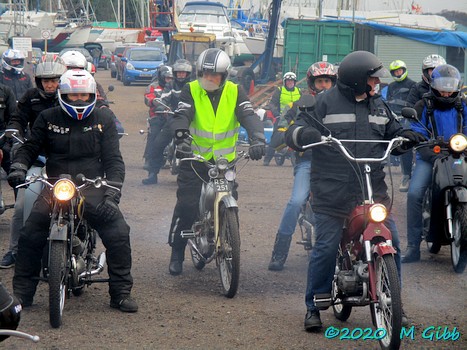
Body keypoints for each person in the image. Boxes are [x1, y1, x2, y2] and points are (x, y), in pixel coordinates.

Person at [285, 51, 425, 331]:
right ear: (358, 80)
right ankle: (313, 306)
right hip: (333, 190)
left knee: (393, 242)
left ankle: (393, 300)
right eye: (373, 78)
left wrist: (408, 136)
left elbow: (394, 130)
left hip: (374, 188)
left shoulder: (378, 105)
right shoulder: (323, 102)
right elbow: (294, 131)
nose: (377, 83)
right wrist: (306, 135)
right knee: (325, 246)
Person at [6, 69, 138, 312]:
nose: (79, 100)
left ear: (92, 96)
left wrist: (112, 194)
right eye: (73, 96)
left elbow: (114, 161)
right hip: (55, 186)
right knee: (29, 235)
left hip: (92, 188)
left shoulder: (104, 119)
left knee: (119, 233)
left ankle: (120, 293)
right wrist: (18, 167)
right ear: (62, 95)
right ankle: (22, 294)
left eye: (84, 96)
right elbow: (30, 148)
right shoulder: (47, 118)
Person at [167, 48, 265, 276]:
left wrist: (258, 138)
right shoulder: (190, 90)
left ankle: (230, 244)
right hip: (194, 159)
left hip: (224, 162)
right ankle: (177, 252)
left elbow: (248, 116)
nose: (209, 80)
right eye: (205, 75)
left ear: (225, 75)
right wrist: (181, 138)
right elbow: (181, 116)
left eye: (215, 76)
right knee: (188, 205)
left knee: (233, 204)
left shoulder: (235, 91)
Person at [0, 54, 68, 269]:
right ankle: (14, 250)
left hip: (64, 158)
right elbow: (18, 118)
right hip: (36, 157)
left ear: (61, 81)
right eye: (46, 81)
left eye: (54, 80)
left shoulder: (69, 97)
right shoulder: (30, 97)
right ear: (39, 81)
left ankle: (79, 245)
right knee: (21, 206)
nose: (50, 84)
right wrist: (14, 130)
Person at [268, 61, 337, 271]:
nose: (324, 85)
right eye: (320, 81)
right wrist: (282, 133)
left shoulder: (341, 105)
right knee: (297, 200)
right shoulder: (300, 104)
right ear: (312, 84)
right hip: (308, 160)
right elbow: (285, 123)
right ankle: (280, 251)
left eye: (327, 81)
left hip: (336, 161)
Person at [403, 64, 467, 263]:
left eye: (450, 87)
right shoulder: (424, 104)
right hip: (430, 157)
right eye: (442, 86)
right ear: (433, 85)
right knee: (414, 194)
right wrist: (428, 151)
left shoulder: (462, 105)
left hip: (458, 155)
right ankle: (413, 246)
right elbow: (416, 130)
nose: (446, 92)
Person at [143, 59, 192, 185]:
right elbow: (164, 98)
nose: (181, 75)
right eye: (179, 72)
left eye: (183, 73)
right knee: (158, 144)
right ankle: (153, 174)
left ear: (188, 74)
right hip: (173, 119)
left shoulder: (194, 85)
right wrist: (161, 105)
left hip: (192, 120)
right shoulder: (171, 85)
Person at [384, 60, 416, 192]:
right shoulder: (391, 86)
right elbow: (387, 101)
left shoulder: (413, 85)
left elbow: (414, 104)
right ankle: (383, 164)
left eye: (399, 70)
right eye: (395, 71)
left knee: (406, 142)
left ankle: (407, 175)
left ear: (404, 70)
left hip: (407, 118)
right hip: (393, 117)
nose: (398, 73)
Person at [142, 65, 173, 184]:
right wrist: (155, 102)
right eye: (167, 78)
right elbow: (148, 98)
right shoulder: (154, 87)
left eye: (171, 78)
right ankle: (150, 164)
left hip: (174, 116)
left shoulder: (175, 87)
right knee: (154, 136)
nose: (169, 80)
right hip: (158, 115)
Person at [263, 71, 301, 166]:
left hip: (295, 119)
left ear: (295, 82)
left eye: (292, 81)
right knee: (275, 138)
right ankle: (267, 159)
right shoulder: (279, 90)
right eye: (288, 81)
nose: (290, 83)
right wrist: (276, 114)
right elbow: (272, 104)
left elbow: (302, 104)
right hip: (282, 119)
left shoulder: (299, 91)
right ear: (285, 82)